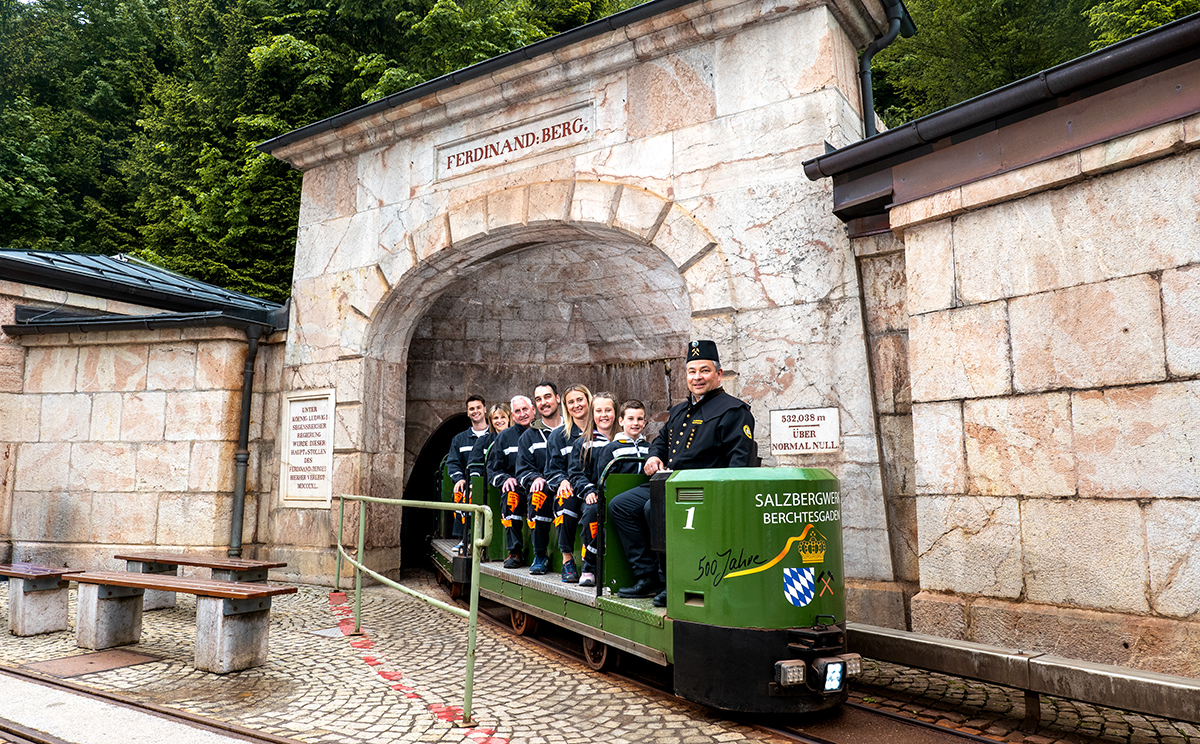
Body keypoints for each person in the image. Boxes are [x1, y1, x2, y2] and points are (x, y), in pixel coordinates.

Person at [609, 340, 755, 606]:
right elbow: (661, 442)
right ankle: (648, 576)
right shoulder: (678, 411)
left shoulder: (733, 411)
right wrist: (654, 456)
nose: (697, 377)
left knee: (656, 507)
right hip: (671, 482)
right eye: (691, 371)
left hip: (703, 488)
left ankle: (672, 581)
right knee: (620, 506)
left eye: (704, 370)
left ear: (719, 374)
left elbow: (740, 462)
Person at [573, 398, 651, 587]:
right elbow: (603, 478)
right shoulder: (612, 449)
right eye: (630, 419)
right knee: (594, 515)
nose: (636, 423)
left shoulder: (650, 449)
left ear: (645, 422)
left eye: (640, 419)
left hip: (641, 499)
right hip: (615, 499)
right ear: (621, 421)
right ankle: (589, 566)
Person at [545, 384, 592, 582]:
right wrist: (562, 481)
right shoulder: (558, 435)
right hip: (571, 489)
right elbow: (551, 470)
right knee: (566, 504)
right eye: (570, 402)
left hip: (592, 489)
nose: (576, 405)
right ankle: (567, 560)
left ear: (589, 401)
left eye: (580, 400)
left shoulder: (601, 429)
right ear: (565, 406)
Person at [516, 381, 563, 575]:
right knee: (538, 494)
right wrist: (534, 478)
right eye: (539, 399)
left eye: (548, 396)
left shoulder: (574, 430)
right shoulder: (528, 437)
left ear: (558, 399)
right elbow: (523, 469)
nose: (544, 402)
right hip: (544, 489)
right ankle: (540, 554)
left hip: (570, 486)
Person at [486, 395, 536, 568]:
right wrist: (505, 479)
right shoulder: (505, 437)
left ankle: (540, 553)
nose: (522, 414)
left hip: (540, 486)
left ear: (533, 411)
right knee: (510, 497)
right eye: (517, 411)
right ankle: (515, 551)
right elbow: (492, 469)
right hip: (517, 489)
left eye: (525, 409)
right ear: (513, 416)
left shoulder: (545, 434)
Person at [464, 403, 510, 557]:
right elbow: (474, 465)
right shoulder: (485, 440)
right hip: (487, 487)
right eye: (495, 418)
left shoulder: (518, 438)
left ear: (509, 418)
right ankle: (471, 538)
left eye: (503, 417)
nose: (499, 421)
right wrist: (474, 483)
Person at [445, 395, 488, 552]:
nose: (475, 411)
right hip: (468, 485)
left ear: (484, 409)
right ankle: (464, 538)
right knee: (461, 495)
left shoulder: (496, 435)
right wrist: (459, 479)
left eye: (478, 407)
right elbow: (453, 462)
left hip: (489, 484)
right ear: (468, 413)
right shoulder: (460, 439)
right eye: (471, 409)